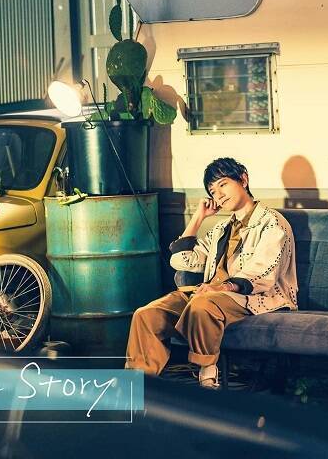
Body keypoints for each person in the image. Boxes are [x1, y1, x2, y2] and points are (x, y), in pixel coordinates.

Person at [125, 157, 298, 388]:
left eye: (223, 184)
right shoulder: (221, 228)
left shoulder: (271, 223)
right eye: (213, 191)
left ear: (243, 179)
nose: (219, 195)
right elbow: (182, 261)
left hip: (255, 297)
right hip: (210, 295)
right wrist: (198, 218)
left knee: (202, 304)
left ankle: (207, 377)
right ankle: (138, 386)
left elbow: (263, 273)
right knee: (146, 315)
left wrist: (220, 287)